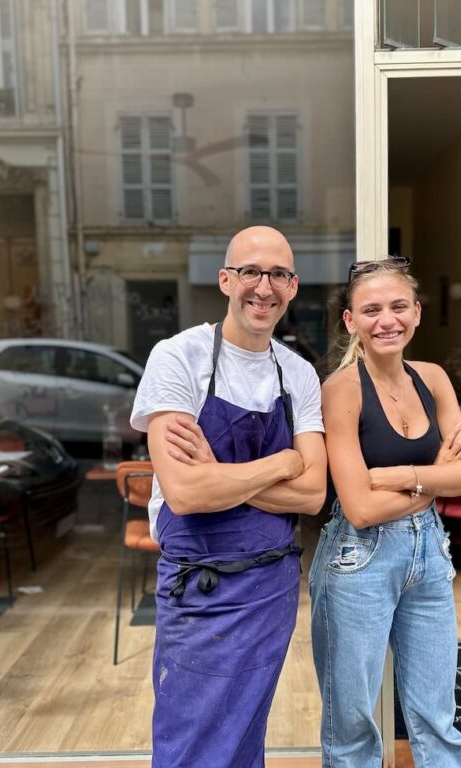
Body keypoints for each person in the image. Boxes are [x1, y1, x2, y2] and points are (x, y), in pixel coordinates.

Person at [129, 226, 327, 768]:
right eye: (250, 272)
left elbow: (312, 494)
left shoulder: (300, 374)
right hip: (199, 587)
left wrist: (225, 473)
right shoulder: (177, 358)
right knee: (190, 738)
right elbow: (187, 492)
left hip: (270, 585)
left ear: (292, 287)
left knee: (243, 736)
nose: (264, 287)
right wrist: (280, 464)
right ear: (225, 280)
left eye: (278, 275)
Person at [310, 256, 461, 768]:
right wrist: (435, 478)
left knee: (437, 716)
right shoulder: (340, 391)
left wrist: (401, 476)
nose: (386, 320)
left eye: (397, 306)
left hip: (429, 552)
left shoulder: (432, 379)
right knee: (351, 725)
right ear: (351, 322)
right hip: (357, 561)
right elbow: (360, 508)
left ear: (416, 312)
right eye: (371, 310)